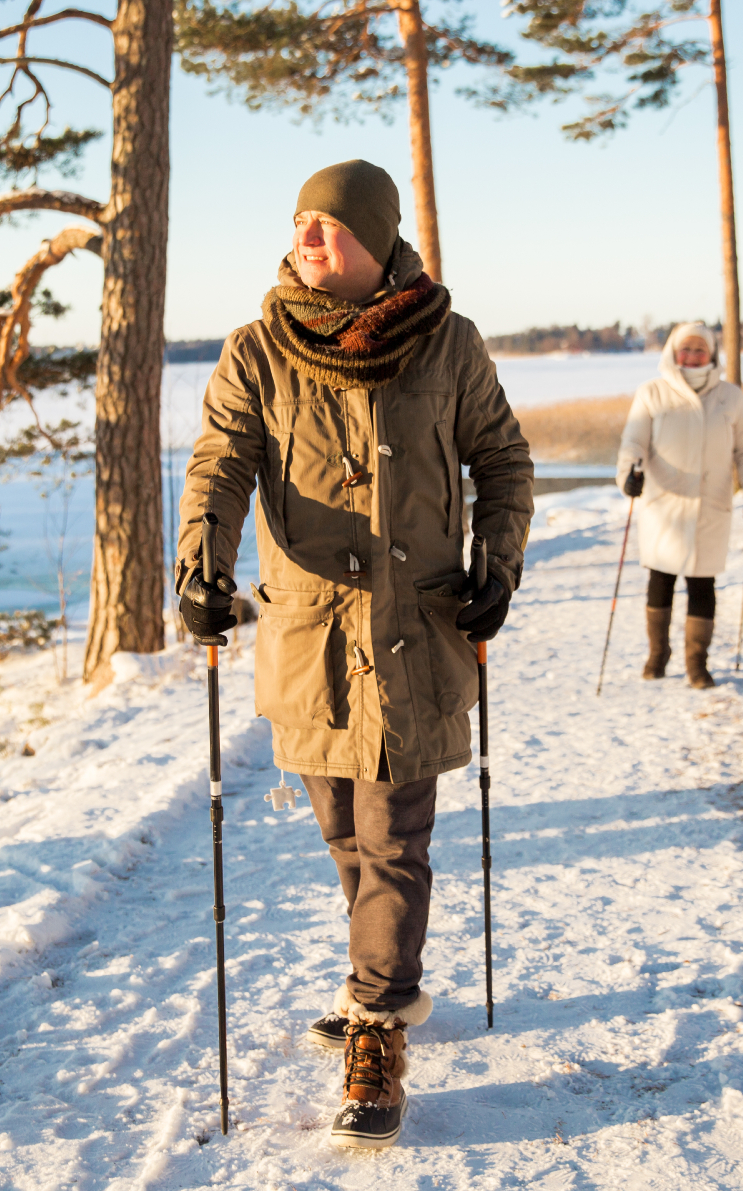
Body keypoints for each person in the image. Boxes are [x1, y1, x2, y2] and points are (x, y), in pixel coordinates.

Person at [175, 159, 534, 1150]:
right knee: (342, 828)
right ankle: (383, 968)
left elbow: (501, 458)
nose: (308, 238)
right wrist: (199, 566)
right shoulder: (258, 349)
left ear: (375, 241)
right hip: (309, 635)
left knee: (393, 833)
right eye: (299, 222)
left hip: (417, 633)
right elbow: (219, 461)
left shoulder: (447, 344)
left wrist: (495, 563)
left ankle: (378, 1021)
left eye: (329, 225)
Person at [615, 322, 743, 689]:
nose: (692, 356)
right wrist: (629, 475)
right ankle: (658, 653)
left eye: (700, 350)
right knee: (660, 580)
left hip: (710, 503)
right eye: (686, 349)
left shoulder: (729, 397)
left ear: (712, 354)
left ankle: (696, 663)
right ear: (673, 352)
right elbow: (632, 443)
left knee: (703, 585)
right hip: (663, 504)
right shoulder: (652, 392)